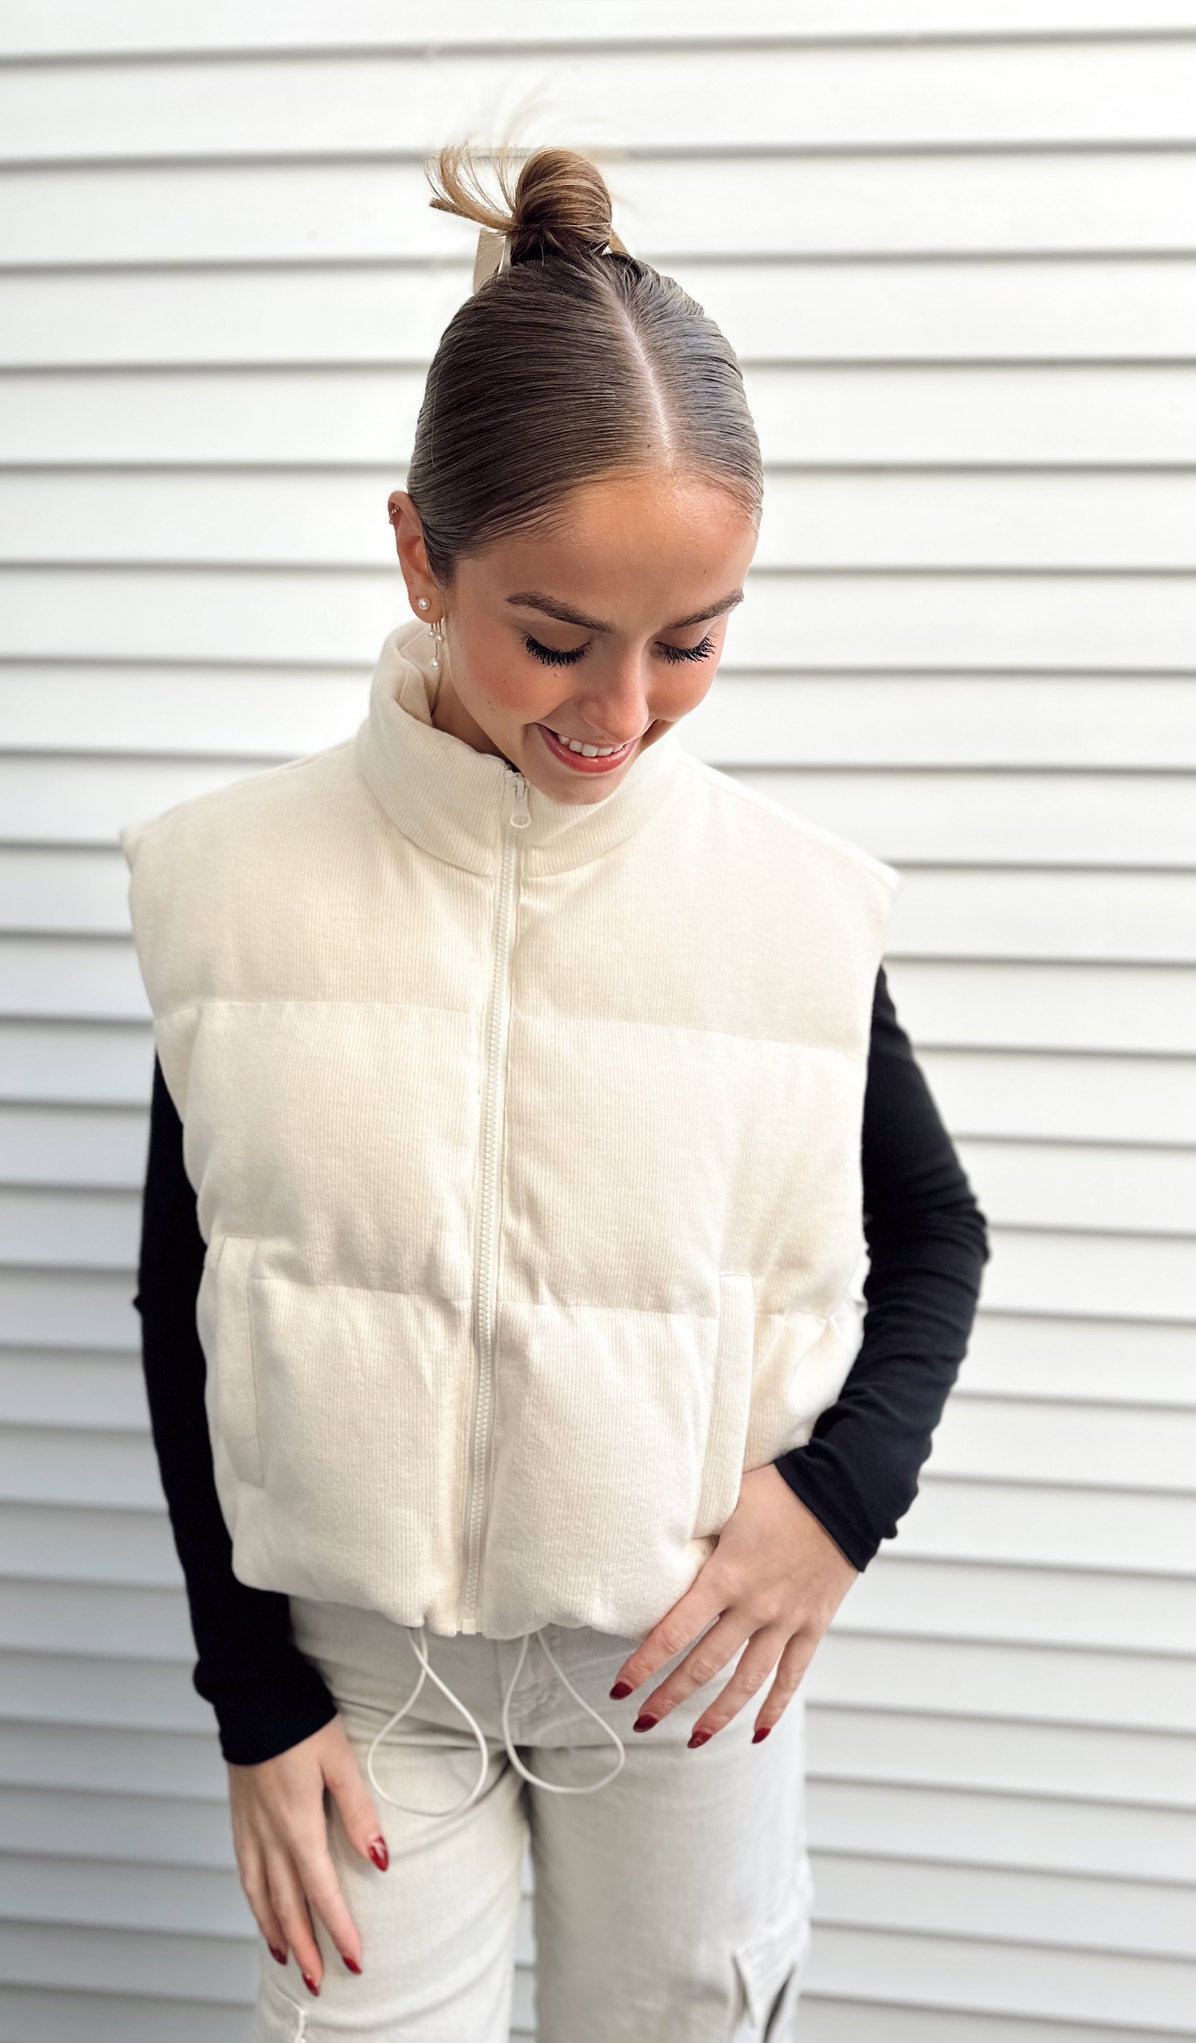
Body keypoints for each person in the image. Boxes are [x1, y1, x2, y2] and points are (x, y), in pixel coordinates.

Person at [124, 141, 990, 2043]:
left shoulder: (787, 907)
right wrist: (250, 1695)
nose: (619, 713)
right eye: (554, 637)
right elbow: (191, 1292)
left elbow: (939, 1233)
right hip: (360, 1679)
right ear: (422, 553)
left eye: (691, 644)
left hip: (685, 1662)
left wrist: (838, 1506)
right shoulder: (230, 883)